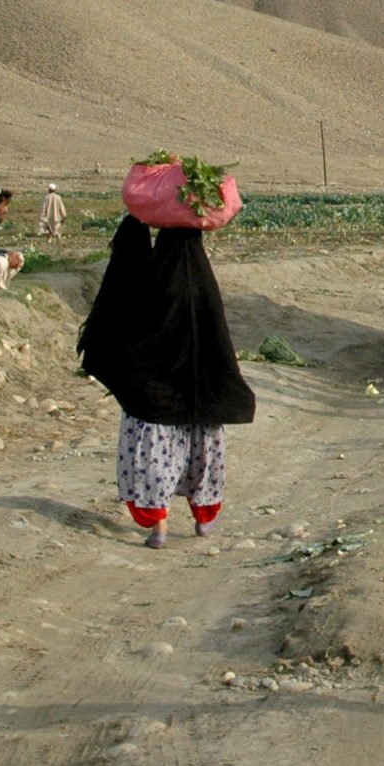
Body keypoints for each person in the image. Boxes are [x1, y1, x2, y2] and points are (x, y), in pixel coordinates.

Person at [78, 217, 256, 549]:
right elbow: (219, 341)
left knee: (154, 459)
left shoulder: (150, 280)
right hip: (200, 397)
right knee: (202, 458)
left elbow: (123, 328)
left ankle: (159, 529)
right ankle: (204, 521)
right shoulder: (202, 283)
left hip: (155, 398)